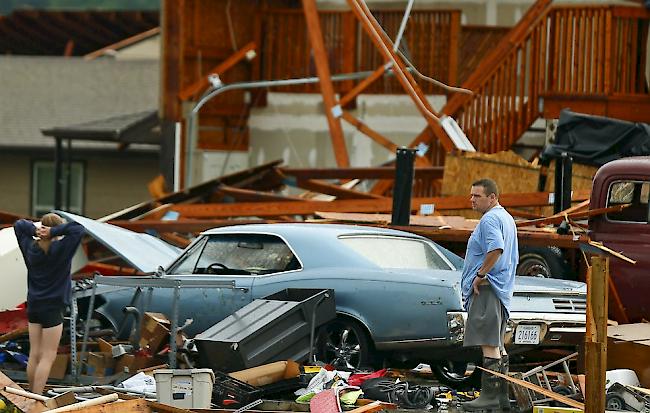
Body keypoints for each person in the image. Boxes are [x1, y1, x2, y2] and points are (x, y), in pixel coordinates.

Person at [460, 179, 518, 412]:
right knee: (498, 345)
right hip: (500, 290)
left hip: (487, 289)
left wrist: (480, 274)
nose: (472, 199)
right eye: (471, 195)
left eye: (477, 195)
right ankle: (501, 398)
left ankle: (489, 397)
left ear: (492, 197)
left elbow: (496, 248)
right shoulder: (506, 217)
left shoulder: (490, 219)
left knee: (488, 344)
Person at [14, 213, 84, 395]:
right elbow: (77, 228)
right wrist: (54, 231)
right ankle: (37, 398)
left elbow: (19, 225)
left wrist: (36, 230)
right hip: (53, 308)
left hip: (34, 305)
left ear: (42, 227)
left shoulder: (30, 247)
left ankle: (30, 395)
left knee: (34, 353)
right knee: (48, 355)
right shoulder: (62, 248)